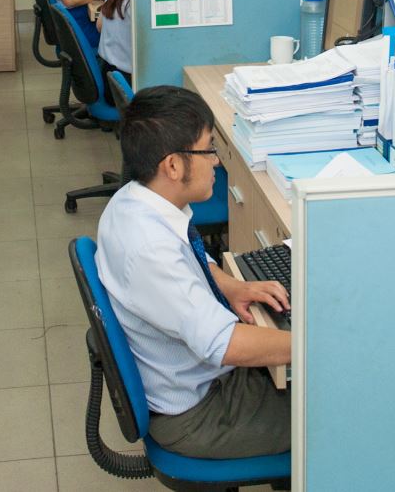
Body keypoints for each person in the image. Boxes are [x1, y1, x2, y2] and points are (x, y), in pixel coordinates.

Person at [96, 85, 291, 459]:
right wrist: (317, 345)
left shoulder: (133, 200)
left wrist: (232, 287)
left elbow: (187, 258)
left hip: (197, 379)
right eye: (209, 149)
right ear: (172, 165)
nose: (216, 161)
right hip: (201, 413)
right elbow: (225, 344)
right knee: (341, 402)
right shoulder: (150, 249)